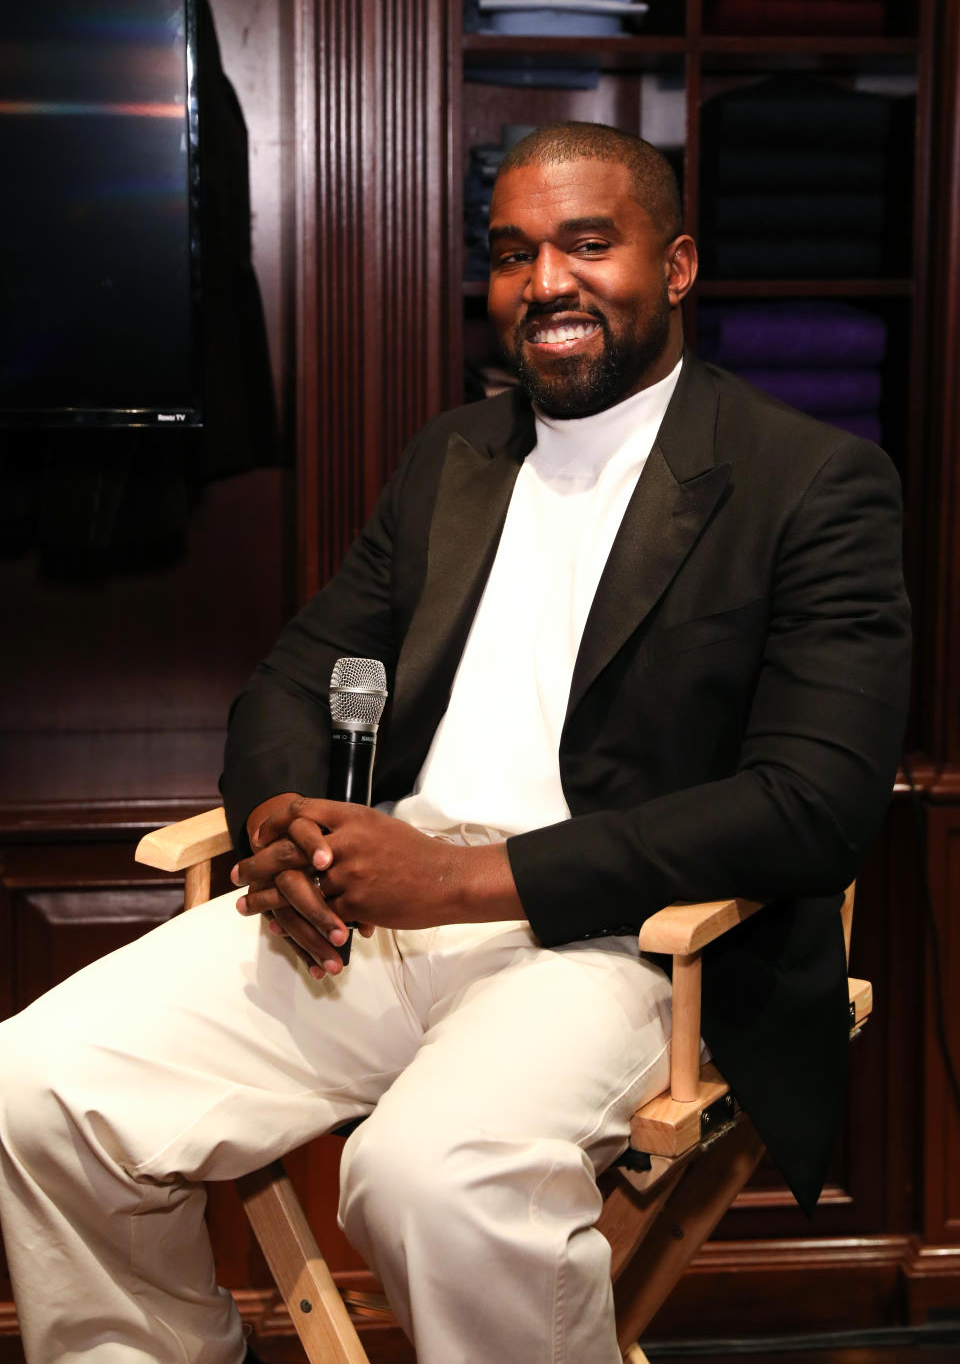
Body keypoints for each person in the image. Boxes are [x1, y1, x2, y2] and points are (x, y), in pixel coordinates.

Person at [0, 123, 910, 1364]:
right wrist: (279, 824)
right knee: (37, 1084)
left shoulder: (812, 482)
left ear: (680, 264)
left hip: (626, 942)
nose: (547, 283)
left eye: (590, 244)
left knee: (432, 1177)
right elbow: (299, 671)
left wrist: (468, 883)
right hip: (377, 909)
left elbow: (814, 805)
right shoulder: (457, 456)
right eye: (514, 253)